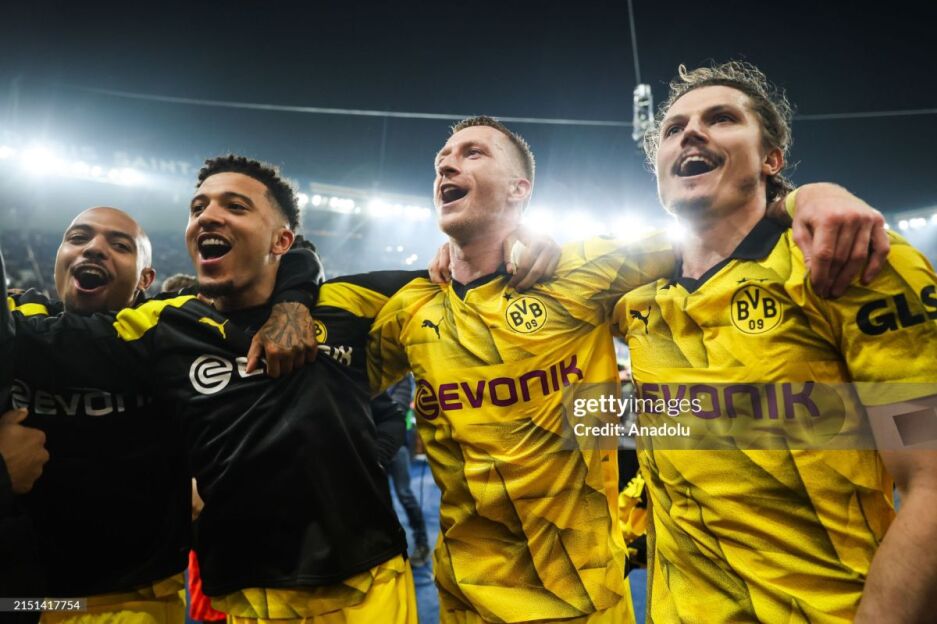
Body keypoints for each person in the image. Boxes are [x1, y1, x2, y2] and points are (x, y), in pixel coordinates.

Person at [368, 115, 891, 624]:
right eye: (442, 158)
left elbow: (723, 226)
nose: (447, 165)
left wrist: (809, 196)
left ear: (518, 189)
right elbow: (338, 385)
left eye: (472, 153)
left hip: (584, 602)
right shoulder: (411, 308)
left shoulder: (583, 269)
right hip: (461, 602)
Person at [4, 156, 419, 624]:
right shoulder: (166, 326)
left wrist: (502, 253)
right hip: (232, 597)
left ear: (281, 241)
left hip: (364, 585)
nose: (208, 216)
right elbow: (29, 338)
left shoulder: (348, 304)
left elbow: (452, 287)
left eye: (235, 206)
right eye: (198, 207)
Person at [612, 61, 937, 623]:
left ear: (771, 159)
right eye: (673, 129)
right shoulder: (630, 297)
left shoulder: (855, 263)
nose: (691, 133)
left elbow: (931, 478)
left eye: (721, 118)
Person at [4, 205, 318, 623]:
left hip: (134, 599)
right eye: (78, 238)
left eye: (120, 245)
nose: (94, 248)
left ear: (145, 280)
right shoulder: (20, 315)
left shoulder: (173, 327)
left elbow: (290, 255)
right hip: (20, 600)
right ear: (58, 258)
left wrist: (292, 303)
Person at [386, 376, 431, 567]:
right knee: (380, 497)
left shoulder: (400, 377)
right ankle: (390, 544)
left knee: (404, 493)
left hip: (399, 446)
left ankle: (422, 543)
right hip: (372, 446)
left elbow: (398, 409)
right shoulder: (369, 372)